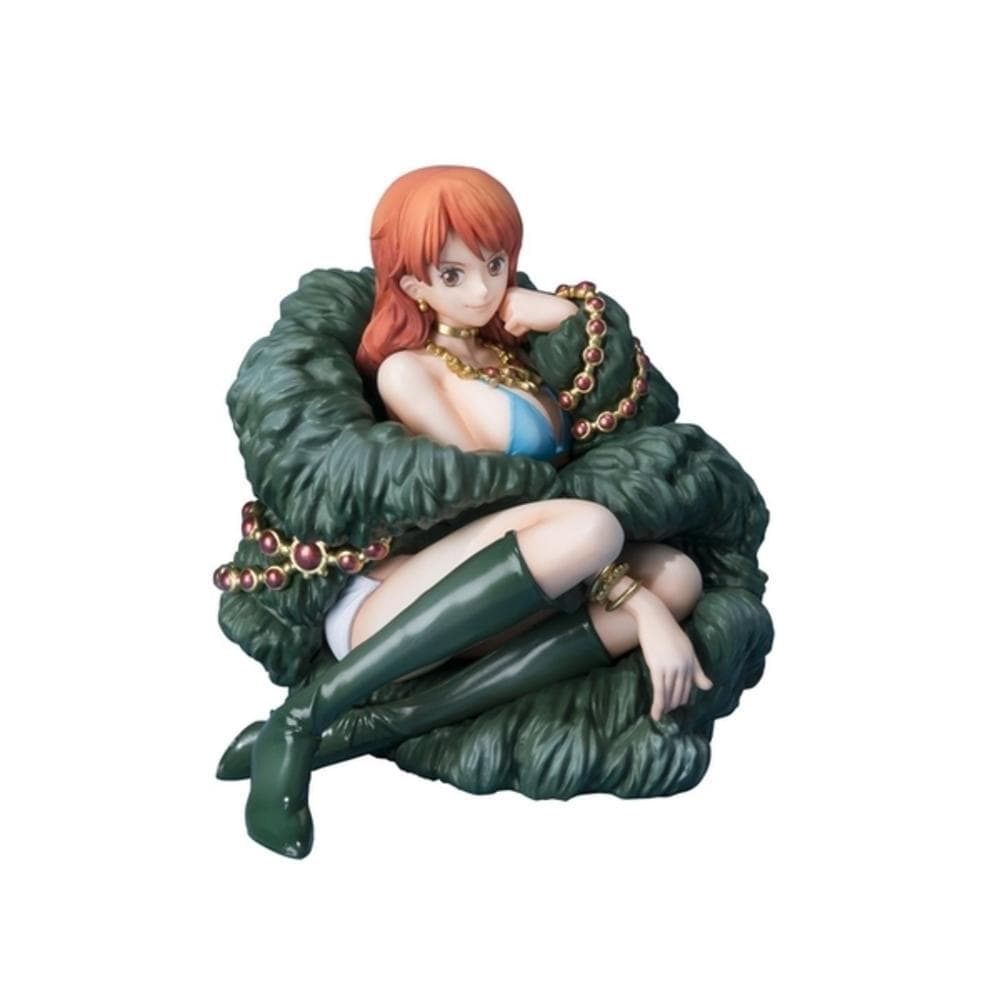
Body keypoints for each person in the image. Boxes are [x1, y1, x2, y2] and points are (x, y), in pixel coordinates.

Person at [214, 165, 771, 860]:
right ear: (414, 286)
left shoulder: (513, 356)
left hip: (526, 574)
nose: (482, 290)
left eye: (495, 264)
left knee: (679, 576)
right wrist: (636, 604)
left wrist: (563, 318)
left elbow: (620, 425)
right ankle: (304, 717)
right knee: (596, 529)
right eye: (453, 274)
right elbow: (493, 503)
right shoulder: (410, 372)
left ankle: (366, 731)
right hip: (398, 604)